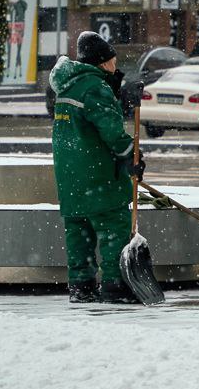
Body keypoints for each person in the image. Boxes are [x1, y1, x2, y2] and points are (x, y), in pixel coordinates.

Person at [50, 31, 145, 304]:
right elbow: (111, 130)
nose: (116, 65)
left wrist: (116, 93)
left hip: (71, 177)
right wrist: (132, 155)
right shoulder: (94, 88)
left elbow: (85, 122)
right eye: (113, 61)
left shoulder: (68, 86)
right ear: (103, 62)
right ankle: (116, 286)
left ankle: (81, 287)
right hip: (99, 176)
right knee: (113, 230)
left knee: (78, 235)